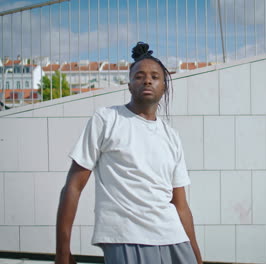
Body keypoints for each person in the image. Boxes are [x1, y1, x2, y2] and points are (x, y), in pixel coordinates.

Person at [55, 42, 202, 264]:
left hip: (175, 239)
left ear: (164, 86)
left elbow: (181, 205)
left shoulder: (171, 136)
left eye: (155, 76)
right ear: (130, 85)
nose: (147, 80)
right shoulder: (106, 119)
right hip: (125, 237)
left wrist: (196, 257)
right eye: (139, 76)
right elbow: (73, 186)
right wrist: (62, 252)